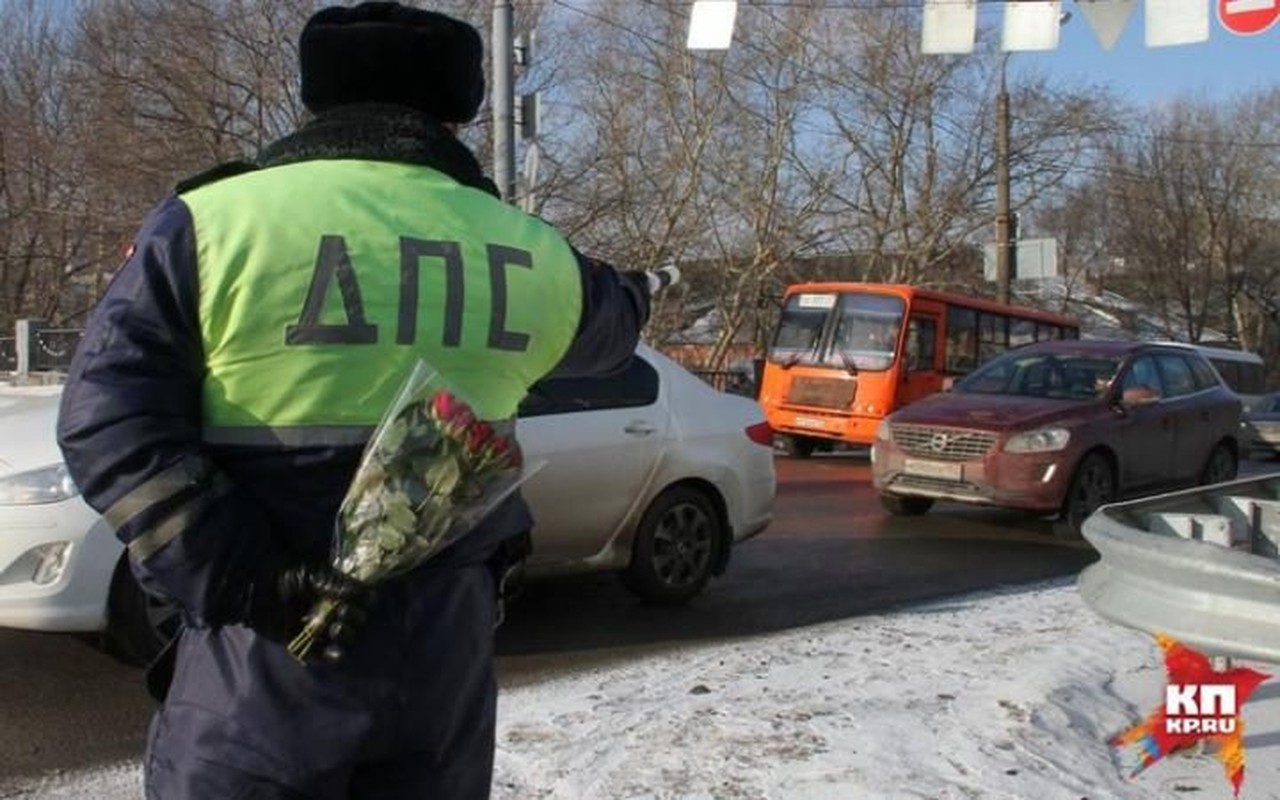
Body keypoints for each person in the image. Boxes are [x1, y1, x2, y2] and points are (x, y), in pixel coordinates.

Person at [55, 3, 662, 798]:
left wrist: (249, 576)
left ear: (318, 95)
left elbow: (105, 418)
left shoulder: (212, 222)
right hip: (442, 681)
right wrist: (641, 291)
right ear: (459, 106)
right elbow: (612, 328)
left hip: (258, 666)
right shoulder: (528, 250)